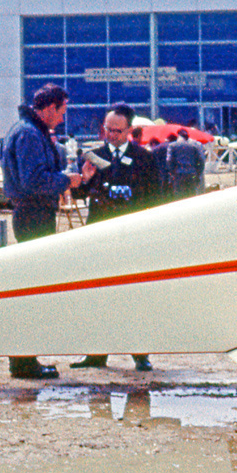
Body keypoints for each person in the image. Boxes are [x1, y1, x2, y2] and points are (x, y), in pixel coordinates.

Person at [1, 85, 84, 379]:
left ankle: (24, 358)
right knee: (31, 290)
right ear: (49, 108)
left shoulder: (27, 131)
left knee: (31, 287)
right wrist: (66, 180)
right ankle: (23, 361)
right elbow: (34, 180)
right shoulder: (29, 134)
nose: (62, 118)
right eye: (61, 112)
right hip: (33, 215)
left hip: (32, 214)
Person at [70, 103, 161, 372]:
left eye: (117, 131)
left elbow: (156, 197)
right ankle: (96, 353)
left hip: (133, 236)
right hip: (99, 235)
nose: (110, 135)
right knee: (97, 294)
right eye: (107, 130)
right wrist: (83, 180)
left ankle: (140, 353)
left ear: (129, 131)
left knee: (135, 295)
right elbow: (77, 196)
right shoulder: (93, 156)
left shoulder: (144, 157)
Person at [167, 128, 205, 198]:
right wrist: (198, 173)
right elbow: (201, 161)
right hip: (192, 174)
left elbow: (169, 160)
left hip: (178, 175)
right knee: (191, 196)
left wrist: (172, 173)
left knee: (179, 197)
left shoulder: (172, 145)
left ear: (178, 136)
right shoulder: (194, 146)